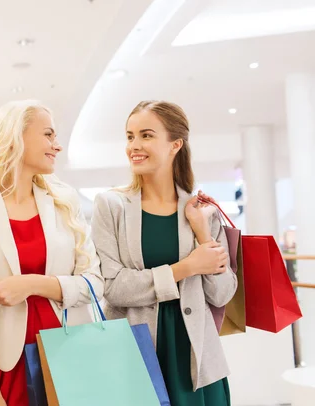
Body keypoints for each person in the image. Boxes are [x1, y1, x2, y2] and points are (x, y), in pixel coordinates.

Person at [0, 100, 104, 406]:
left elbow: (95, 283)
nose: (57, 146)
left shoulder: (64, 202)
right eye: (48, 135)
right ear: (15, 138)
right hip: (7, 369)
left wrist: (31, 284)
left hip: (68, 359)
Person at [91, 100, 237, 406]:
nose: (134, 146)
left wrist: (201, 232)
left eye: (146, 135)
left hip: (197, 365)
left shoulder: (203, 210)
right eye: (130, 136)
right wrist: (186, 267)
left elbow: (222, 294)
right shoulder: (110, 206)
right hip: (136, 357)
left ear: (175, 145)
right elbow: (114, 288)